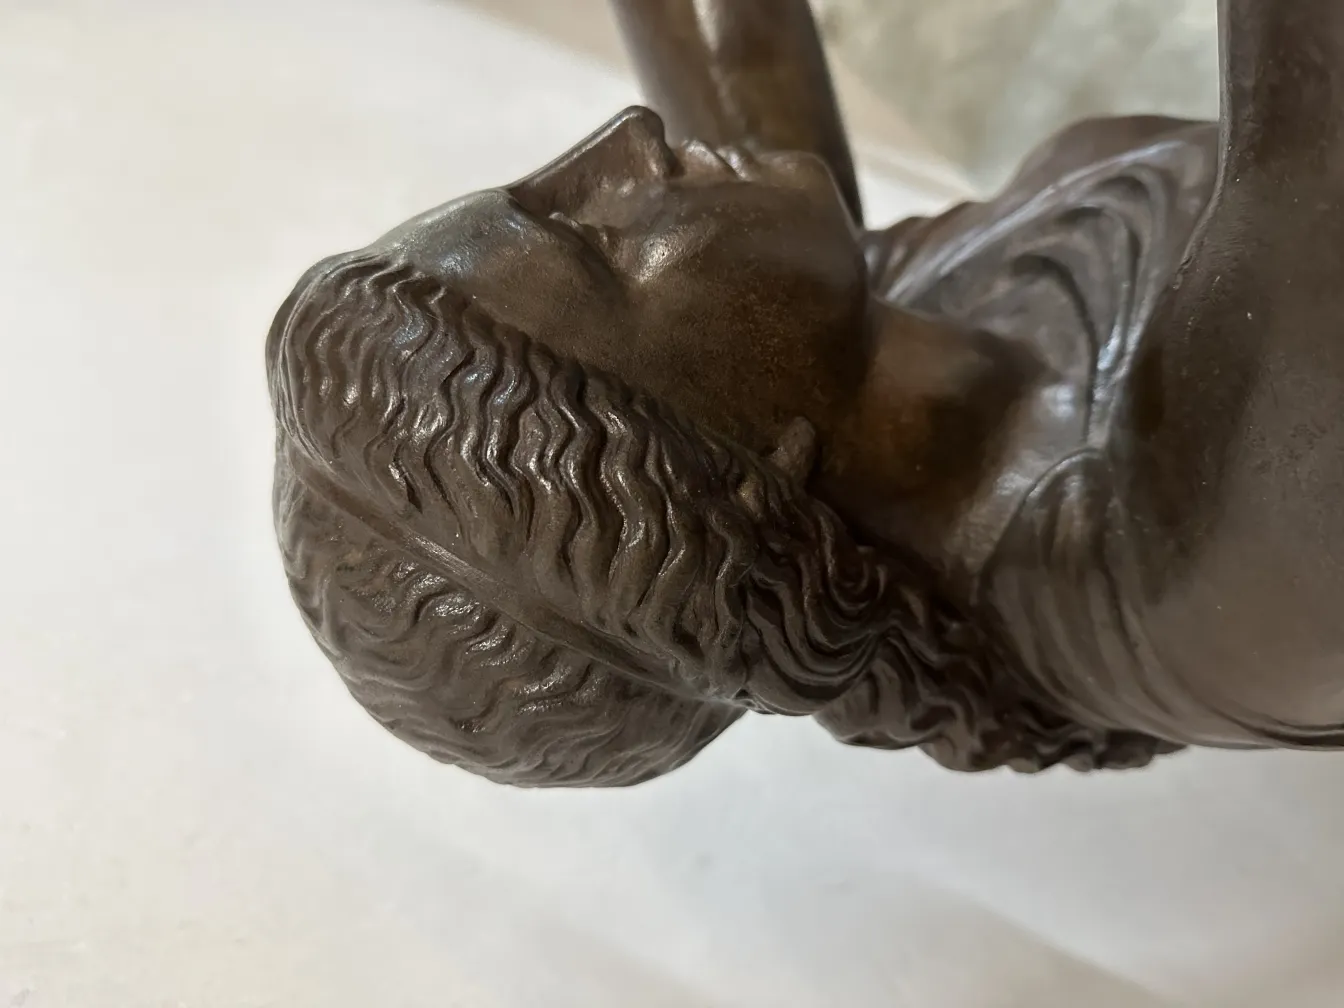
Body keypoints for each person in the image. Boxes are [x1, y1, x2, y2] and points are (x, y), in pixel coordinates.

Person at [267, 0, 1344, 786]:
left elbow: (729, 37)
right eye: (594, 236)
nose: (621, 143)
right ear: (739, 474)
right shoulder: (1198, 590)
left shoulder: (850, 337)